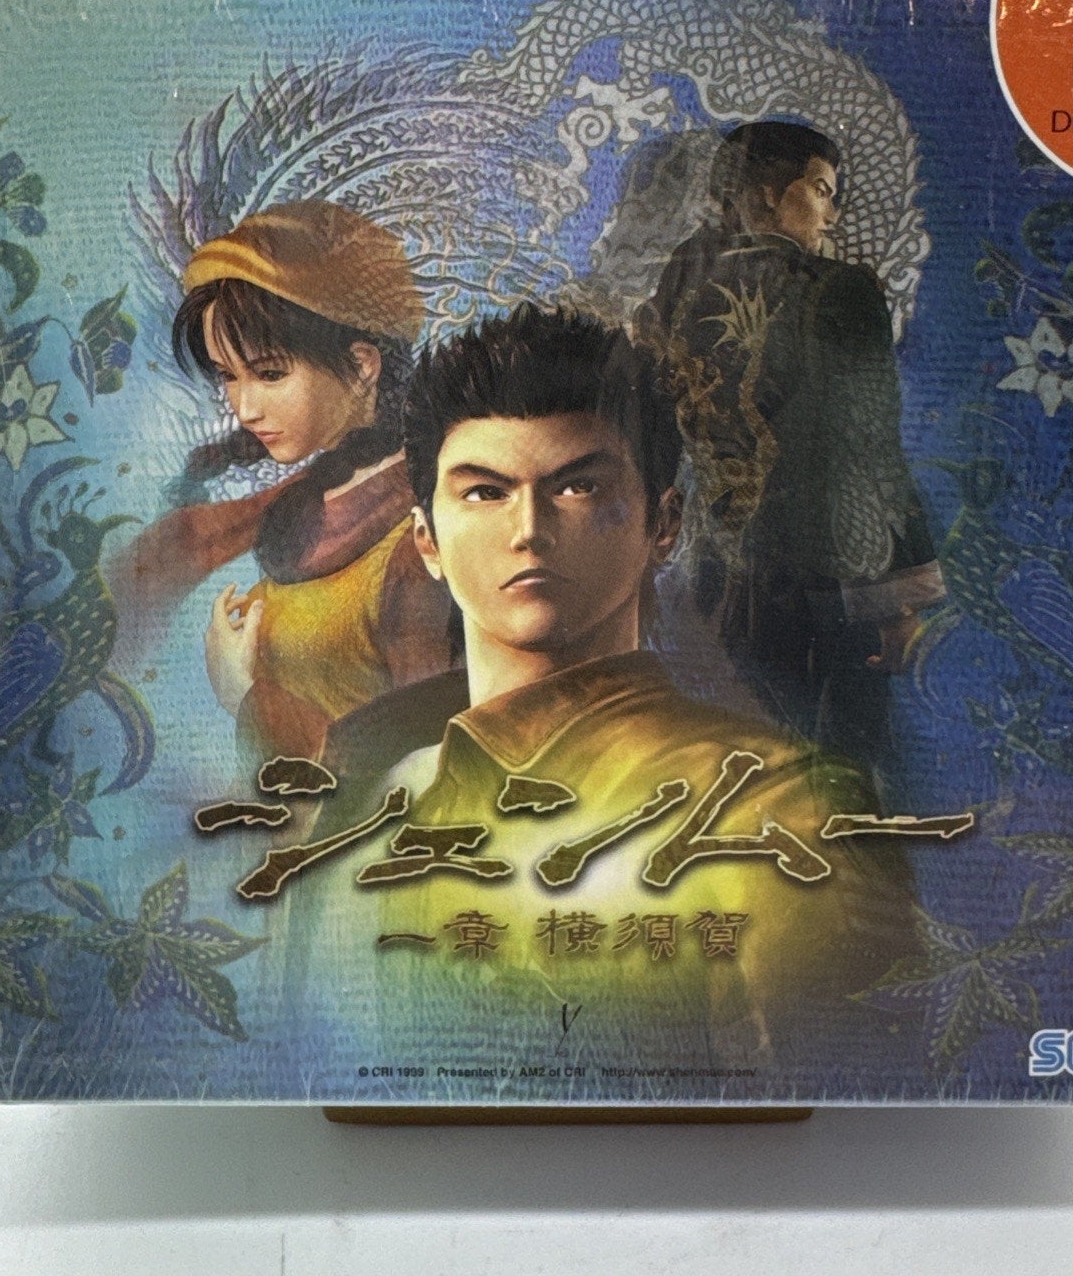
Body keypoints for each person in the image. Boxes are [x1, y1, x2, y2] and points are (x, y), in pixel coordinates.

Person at [302, 306, 923, 1074]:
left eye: (577, 487)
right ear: (426, 539)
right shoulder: (372, 784)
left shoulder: (785, 806)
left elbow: (840, 1099)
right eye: (485, 492)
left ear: (664, 524)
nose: (528, 530)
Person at [640, 120, 945, 771]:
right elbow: (869, 453)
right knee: (841, 778)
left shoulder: (678, 291)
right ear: (766, 194)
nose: (832, 215)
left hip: (707, 583)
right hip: (824, 590)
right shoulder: (838, 291)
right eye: (822, 190)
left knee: (741, 769)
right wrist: (901, 599)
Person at [110, 202, 451, 772]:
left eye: (270, 374)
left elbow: (426, 772)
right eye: (229, 376)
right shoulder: (307, 499)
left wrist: (244, 693)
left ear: (363, 365)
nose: (244, 407)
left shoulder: (421, 540)